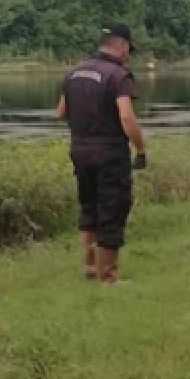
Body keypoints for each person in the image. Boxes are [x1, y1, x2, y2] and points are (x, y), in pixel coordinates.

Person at [55, 23, 147, 284]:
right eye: (128, 49)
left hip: (80, 150)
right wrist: (140, 149)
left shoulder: (73, 72)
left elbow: (60, 111)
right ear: (120, 45)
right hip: (110, 152)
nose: (128, 54)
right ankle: (108, 276)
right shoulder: (118, 76)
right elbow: (127, 118)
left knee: (89, 207)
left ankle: (89, 267)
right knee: (113, 208)